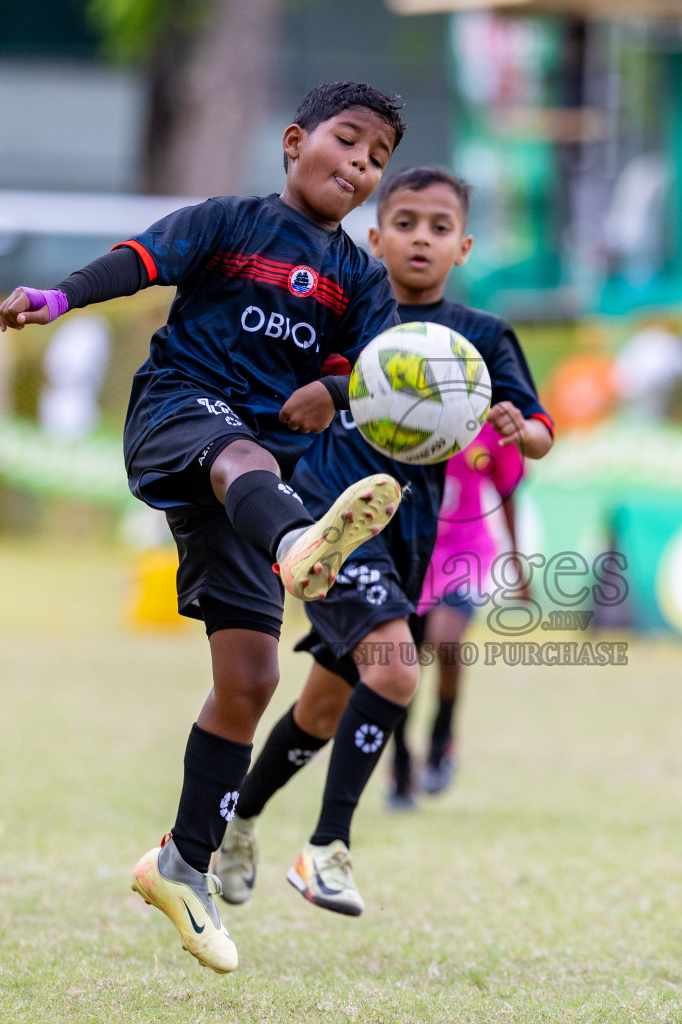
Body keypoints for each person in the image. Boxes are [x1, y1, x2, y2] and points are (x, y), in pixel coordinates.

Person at [0, 82, 407, 975]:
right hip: (182, 419)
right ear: (294, 142)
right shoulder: (228, 222)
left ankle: (182, 864)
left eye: (379, 159)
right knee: (242, 461)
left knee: (252, 679)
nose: (362, 166)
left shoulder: (362, 278)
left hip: (258, 480)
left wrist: (328, 393)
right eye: (347, 141)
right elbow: (140, 260)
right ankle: (302, 543)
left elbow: (370, 371)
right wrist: (60, 298)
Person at [212, 166, 554, 916]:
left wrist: (516, 427)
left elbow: (538, 433)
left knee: (324, 709)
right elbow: (283, 393)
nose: (421, 239)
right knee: (398, 672)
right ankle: (327, 849)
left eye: (439, 227)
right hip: (330, 524)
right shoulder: (342, 317)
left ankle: (234, 820)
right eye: (405, 223)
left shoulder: (483, 338)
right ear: (375, 235)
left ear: (463, 246)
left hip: (410, 538)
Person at [386, 418, 528, 806]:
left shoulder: (488, 426)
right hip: (411, 553)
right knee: (401, 665)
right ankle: (399, 765)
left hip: (465, 553)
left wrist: (517, 563)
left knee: (446, 642)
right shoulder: (401, 415)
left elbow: (509, 491)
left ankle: (441, 740)